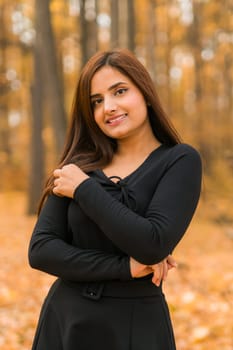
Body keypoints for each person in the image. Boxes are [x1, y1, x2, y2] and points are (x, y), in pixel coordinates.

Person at [28, 48, 202, 350]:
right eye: (96, 101)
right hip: (67, 321)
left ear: (145, 93)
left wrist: (85, 190)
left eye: (119, 91)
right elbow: (42, 250)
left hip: (137, 326)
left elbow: (152, 243)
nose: (108, 107)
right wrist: (124, 268)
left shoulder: (179, 160)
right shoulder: (77, 165)